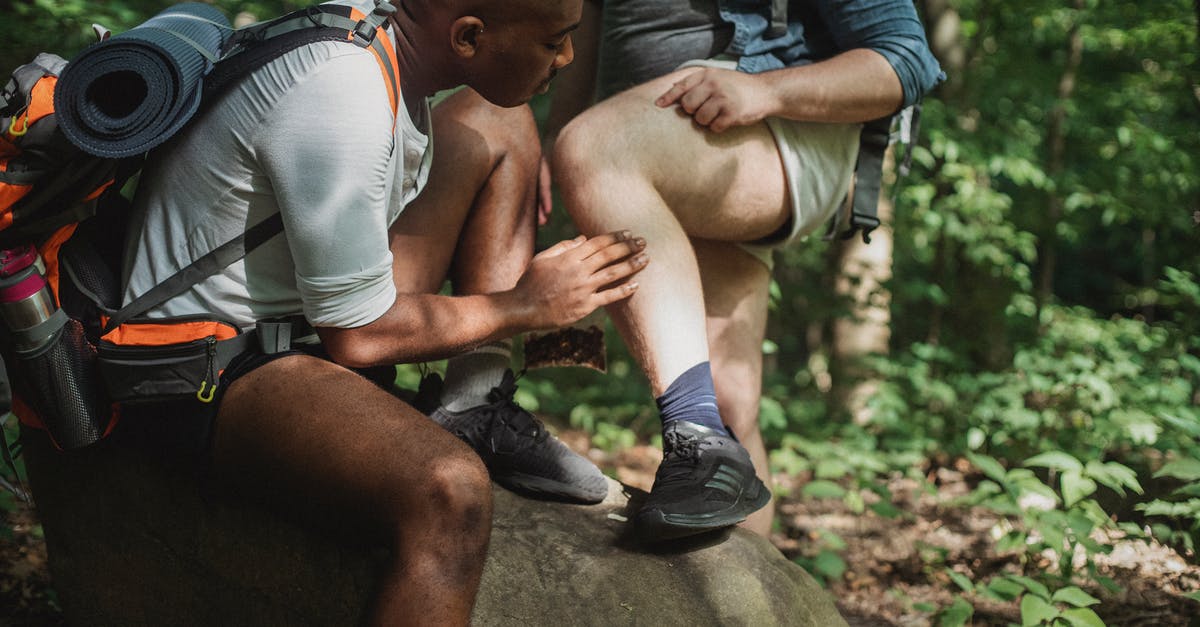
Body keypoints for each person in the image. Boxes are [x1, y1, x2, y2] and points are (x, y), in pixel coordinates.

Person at [119, 0, 647, 623]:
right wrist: (523, 305)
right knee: (453, 492)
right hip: (202, 362)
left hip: (298, 321)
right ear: (469, 37)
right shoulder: (342, 94)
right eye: (555, 41)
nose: (569, 58)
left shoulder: (384, 27)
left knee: (501, 122)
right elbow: (358, 336)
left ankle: (475, 402)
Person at [547, 0, 943, 541]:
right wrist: (551, 138)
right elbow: (588, 23)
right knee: (730, 401)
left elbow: (905, 60)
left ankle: (696, 436)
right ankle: (750, 586)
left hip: (767, 123)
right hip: (660, 133)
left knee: (597, 148)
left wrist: (765, 91)